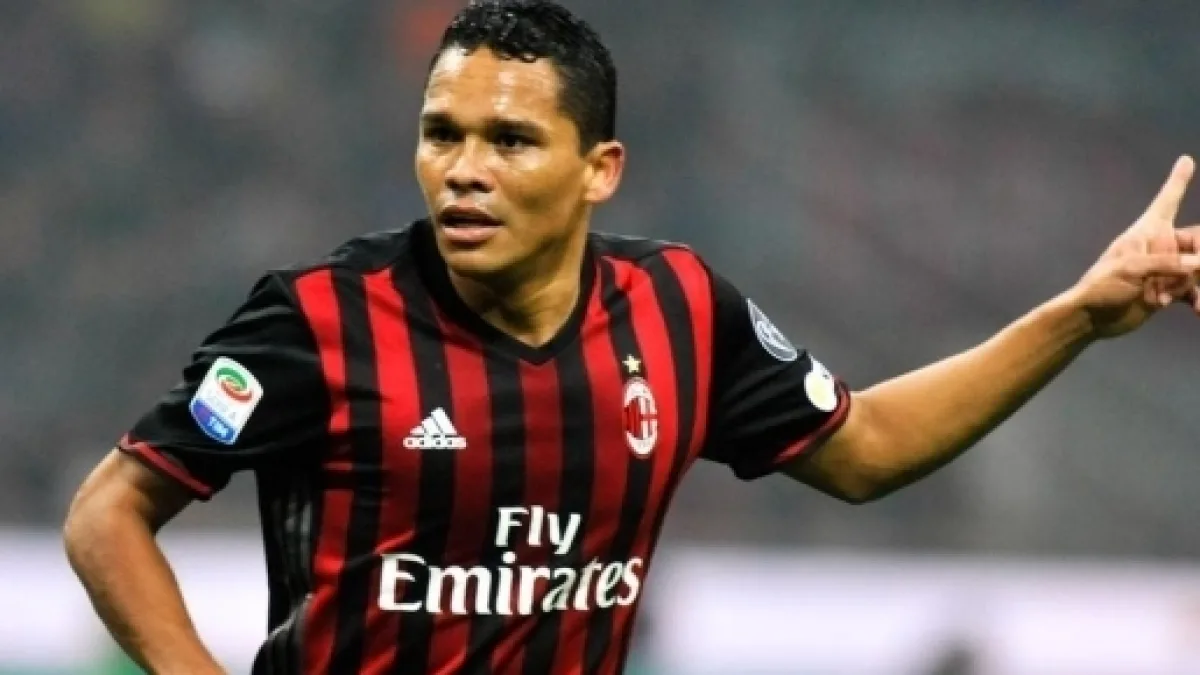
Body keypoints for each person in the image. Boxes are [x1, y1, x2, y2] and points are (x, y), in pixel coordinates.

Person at [62, 1, 1200, 674]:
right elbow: (110, 512)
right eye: (441, 133)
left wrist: (1077, 316)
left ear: (599, 168)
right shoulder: (317, 319)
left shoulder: (680, 309)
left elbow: (867, 449)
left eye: (510, 140)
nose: (464, 170)